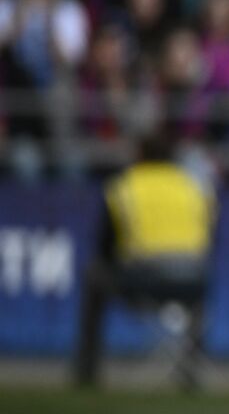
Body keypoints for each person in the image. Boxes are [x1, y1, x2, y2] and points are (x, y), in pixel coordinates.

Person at [73, 132, 216, 389]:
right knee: (199, 291)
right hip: (192, 282)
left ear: (139, 156)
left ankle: (87, 371)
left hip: (143, 279)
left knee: (94, 275)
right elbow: (211, 238)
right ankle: (191, 370)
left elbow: (105, 245)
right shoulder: (194, 186)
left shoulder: (124, 186)